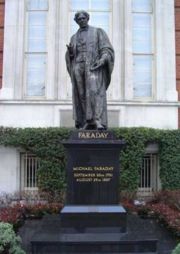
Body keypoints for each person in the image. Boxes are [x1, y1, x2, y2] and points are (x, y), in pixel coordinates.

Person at [65, 10, 114, 130]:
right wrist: (70, 53)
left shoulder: (98, 32)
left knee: (94, 92)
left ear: (87, 18)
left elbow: (106, 49)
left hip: (93, 67)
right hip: (78, 67)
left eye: (83, 18)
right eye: (79, 19)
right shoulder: (74, 37)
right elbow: (70, 57)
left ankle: (97, 120)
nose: (82, 20)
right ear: (76, 21)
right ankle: (86, 121)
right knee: (81, 94)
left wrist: (103, 59)